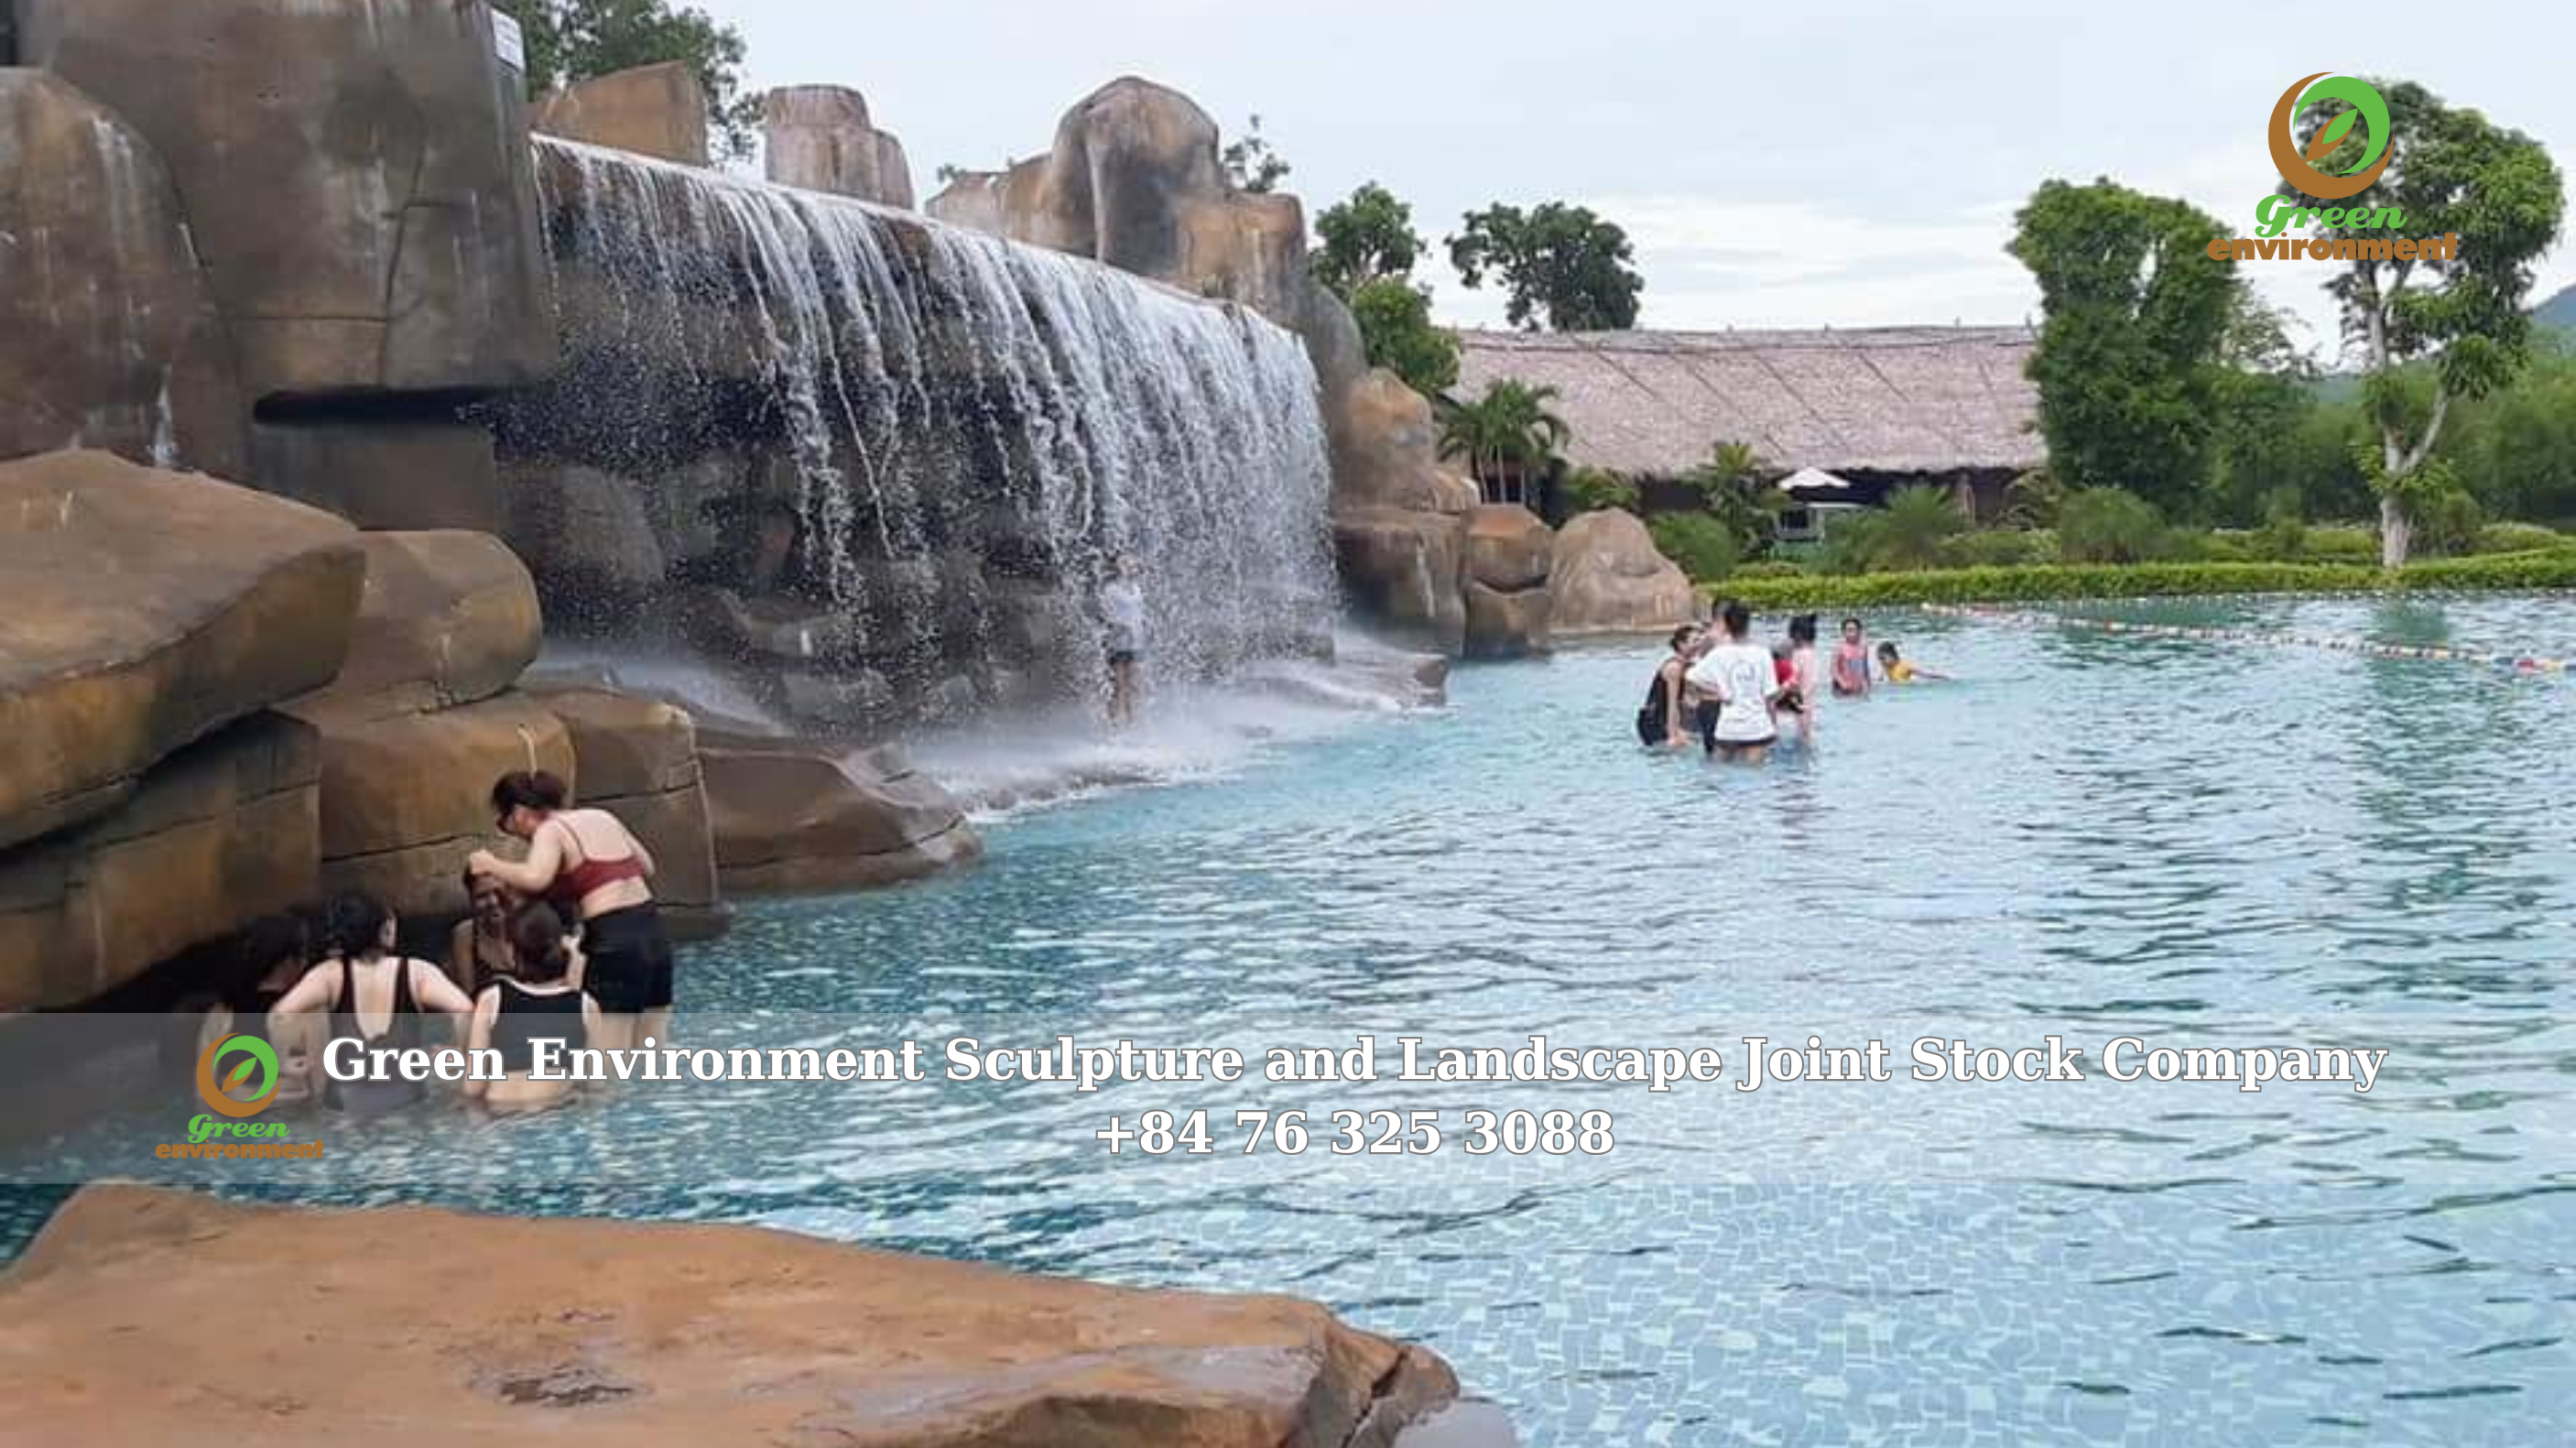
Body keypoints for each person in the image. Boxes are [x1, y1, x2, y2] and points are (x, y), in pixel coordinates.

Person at [471, 771, 671, 1055]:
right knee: (653, 1052)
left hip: (615, 939)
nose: (514, 834)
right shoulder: (603, 817)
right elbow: (647, 867)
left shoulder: (550, 830)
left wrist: (491, 864)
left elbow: (535, 877)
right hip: (654, 932)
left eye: (505, 825)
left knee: (609, 1056)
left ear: (518, 813)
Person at [269, 891, 474, 1116]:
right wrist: (460, 1056)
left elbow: (280, 1014)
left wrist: (284, 1064)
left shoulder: (330, 975)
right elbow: (466, 1011)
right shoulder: (417, 972)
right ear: (383, 928)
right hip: (407, 1106)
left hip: (346, 1110)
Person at [462, 904, 600, 1117]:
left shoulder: (492, 999)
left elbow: (473, 1087)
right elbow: (594, 1084)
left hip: (500, 1115)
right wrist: (576, 959)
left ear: (510, 949)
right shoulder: (585, 1006)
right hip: (555, 1113)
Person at [197, 914, 321, 1112]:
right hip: (291, 1125)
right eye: (304, 956)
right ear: (288, 962)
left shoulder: (221, 1014)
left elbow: (203, 1093)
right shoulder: (307, 1012)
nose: (306, 963)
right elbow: (321, 1089)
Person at [1685, 600, 1787, 763]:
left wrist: (1718, 691)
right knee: (1755, 778)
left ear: (1726, 624)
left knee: (1718, 772)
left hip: (1729, 726)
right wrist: (1787, 687)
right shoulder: (1762, 654)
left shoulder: (1719, 654)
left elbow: (1691, 676)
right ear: (1748, 623)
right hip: (1756, 726)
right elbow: (1771, 695)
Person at [448, 872, 522, 996]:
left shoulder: (530, 923)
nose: (493, 901)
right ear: (471, 900)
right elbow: (469, 995)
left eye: (498, 892)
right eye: (482, 896)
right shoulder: (465, 935)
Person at [1099, 553, 1146, 727]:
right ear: (1117, 567)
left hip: (1135, 640)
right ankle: (1113, 723)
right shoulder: (1111, 589)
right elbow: (1107, 614)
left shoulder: (1136, 587)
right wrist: (1121, 626)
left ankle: (1132, 721)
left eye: (1132, 562)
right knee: (1118, 684)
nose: (1130, 565)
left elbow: (1138, 611)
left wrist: (1140, 627)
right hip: (1118, 639)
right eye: (1125, 562)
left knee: (1132, 683)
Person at [1636, 626, 1699, 747]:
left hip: (1666, 718)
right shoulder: (1674, 667)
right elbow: (1672, 704)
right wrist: (1673, 736)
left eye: (1700, 640)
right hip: (1654, 721)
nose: (1699, 644)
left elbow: (1689, 700)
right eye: (1695, 641)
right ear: (1681, 644)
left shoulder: (1689, 666)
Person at [1787, 615, 1825, 746]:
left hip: (1798, 706)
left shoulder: (1799, 654)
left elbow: (1792, 682)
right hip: (1809, 706)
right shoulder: (1813, 654)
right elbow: (1811, 683)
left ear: (1797, 634)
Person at [1831, 617, 1873, 697]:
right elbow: (1833, 670)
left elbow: (1865, 668)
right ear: (1843, 632)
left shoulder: (1863, 647)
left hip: (1858, 686)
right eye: (1849, 630)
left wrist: (1868, 684)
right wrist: (1843, 683)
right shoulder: (1839, 648)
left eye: (1855, 629)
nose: (1852, 633)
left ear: (1860, 631)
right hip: (1842, 689)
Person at [1876, 641, 1951, 683]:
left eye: (1882, 658)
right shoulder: (1886, 667)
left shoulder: (1905, 666)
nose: (1881, 661)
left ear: (1892, 655)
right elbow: (1879, 680)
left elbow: (1926, 674)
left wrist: (1943, 677)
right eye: (1879, 659)